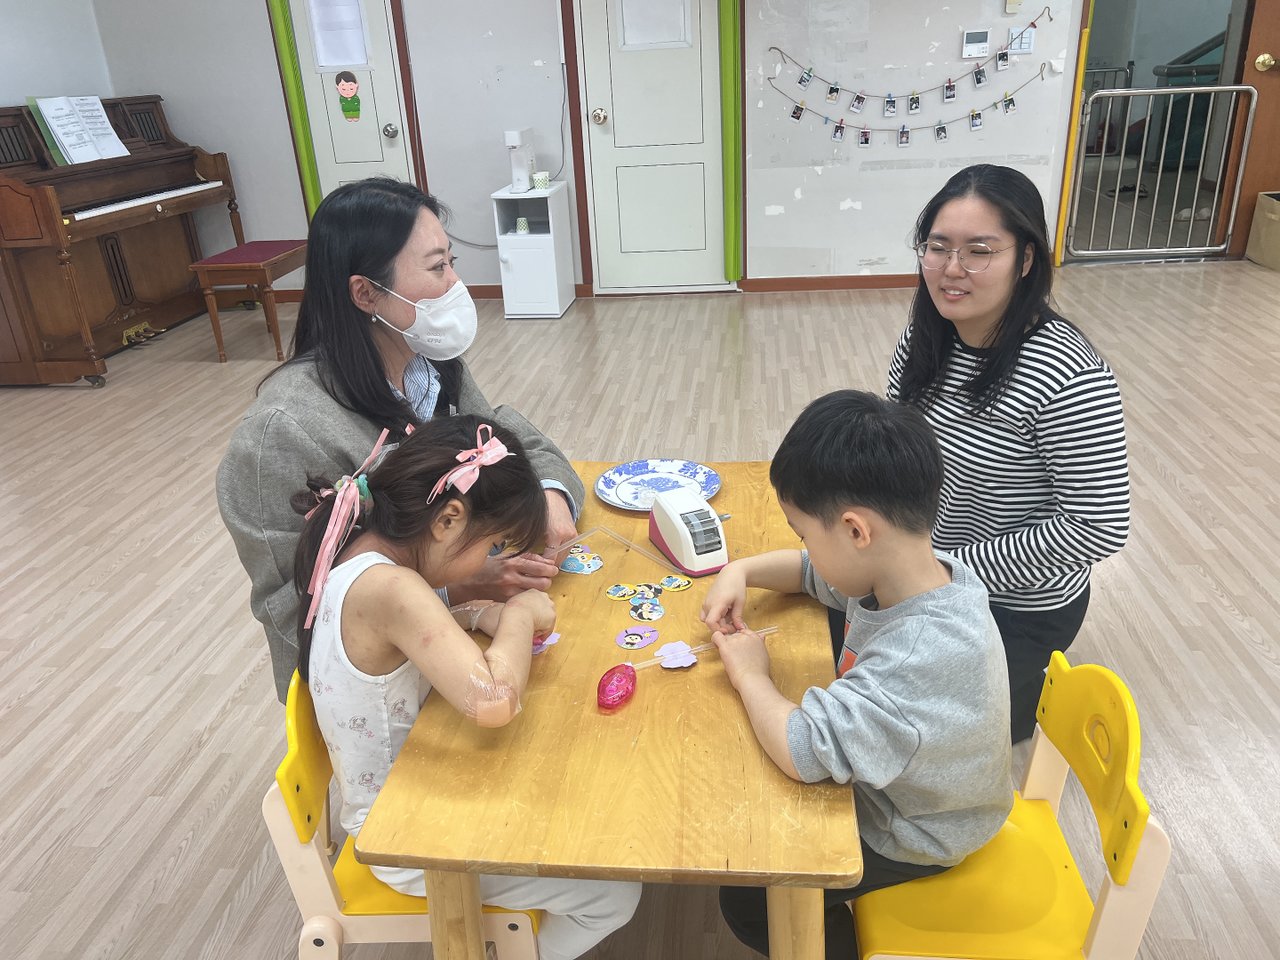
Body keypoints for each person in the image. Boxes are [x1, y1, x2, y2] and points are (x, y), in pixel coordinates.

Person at [217, 177, 583, 703]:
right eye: (437, 268)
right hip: (379, 693)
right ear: (366, 293)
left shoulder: (430, 366)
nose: (456, 284)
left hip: (458, 644)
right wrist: (459, 584)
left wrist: (549, 495)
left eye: (452, 261)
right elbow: (299, 611)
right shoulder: (280, 435)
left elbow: (503, 438)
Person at [294, 415, 641, 960]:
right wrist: (519, 614)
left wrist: (478, 613)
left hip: (415, 787)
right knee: (612, 891)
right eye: (496, 544)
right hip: (405, 834)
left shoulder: (366, 551)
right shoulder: (391, 587)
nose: (494, 560)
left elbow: (410, 635)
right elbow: (493, 702)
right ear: (448, 519)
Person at [702, 390, 1012, 959]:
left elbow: (801, 749)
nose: (804, 548)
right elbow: (810, 574)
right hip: (915, 791)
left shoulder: (919, 655)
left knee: (751, 896)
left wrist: (750, 675)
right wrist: (739, 571)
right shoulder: (918, 572)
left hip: (920, 832)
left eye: (803, 532)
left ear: (855, 530)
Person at [889, 164, 1130, 741]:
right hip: (927, 576)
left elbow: (1099, 526)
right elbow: (896, 451)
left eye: (979, 251)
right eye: (938, 247)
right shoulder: (927, 338)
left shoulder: (1068, 375)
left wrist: (948, 571)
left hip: (1015, 608)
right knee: (824, 650)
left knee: (909, 733)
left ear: (1025, 260)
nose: (952, 269)